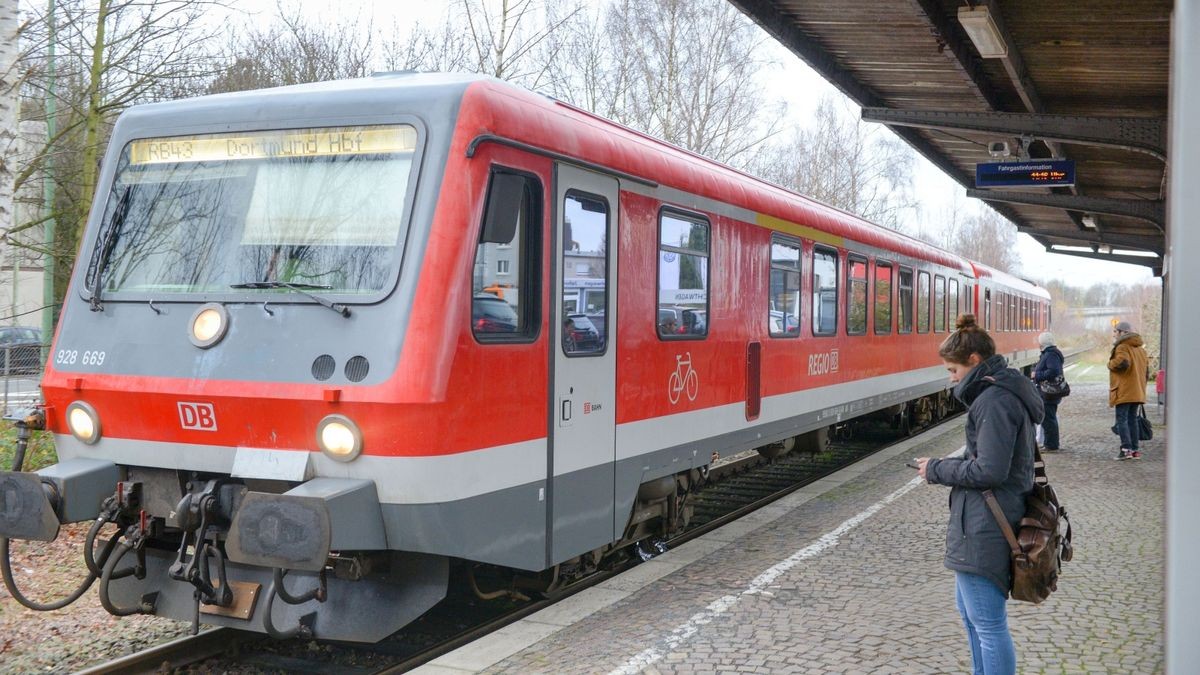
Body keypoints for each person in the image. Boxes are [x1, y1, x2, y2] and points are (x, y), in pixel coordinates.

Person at [915, 314, 1041, 675]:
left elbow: (990, 470)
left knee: (988, 625)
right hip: (987, 517)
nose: (951, 378)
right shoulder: (1002, 393)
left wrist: (936, 470)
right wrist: (945, 464)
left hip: (986, 524)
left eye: (953, 370)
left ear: (974, 361)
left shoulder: (994, 401)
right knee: (974, 619)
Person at [1108, 320, 1149, 460]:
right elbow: (1146, 372)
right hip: (1137, 390)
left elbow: (1122, 362)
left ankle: (1126, 449)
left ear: (1122, 332)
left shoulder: (1122, 347)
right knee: (1132, 420)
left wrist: (1110, 364)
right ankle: (1135, 450)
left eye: (1116, 331)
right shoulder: (1141, 349)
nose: (1114, 334)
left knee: (1122, 419)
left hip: (1124, 390)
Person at [1031, 332, 1065, 451]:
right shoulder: (1050, 353)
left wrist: (1037, 375)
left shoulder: (1051, 355)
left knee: (1049, 419)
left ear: (1043, 343)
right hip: (1048, 392)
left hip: (1049, 392)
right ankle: (1049, 443)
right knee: (1049, 418)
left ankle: (1051, 445)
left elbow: (1053, 371)